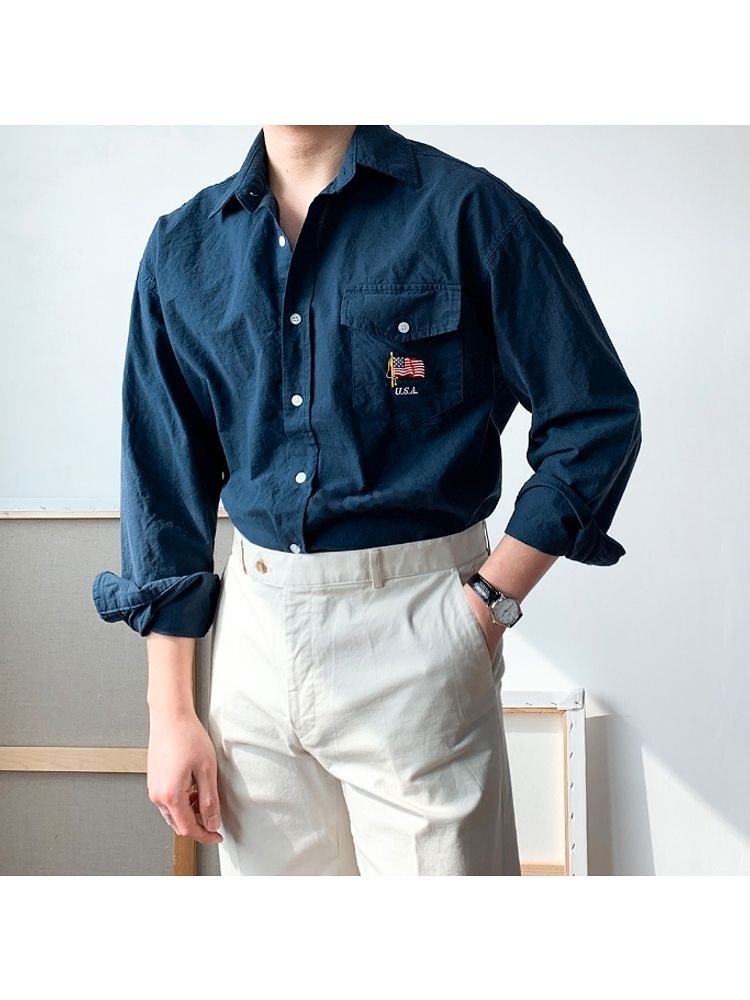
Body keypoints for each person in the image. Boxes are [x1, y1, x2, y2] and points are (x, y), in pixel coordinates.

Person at [92, 125, 642, 876]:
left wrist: (489, 605)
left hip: (422, 630)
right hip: (253, 644)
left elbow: (593, 415)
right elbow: (163, 485)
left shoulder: (468, 212)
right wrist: (171, 712)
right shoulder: (182, 249)